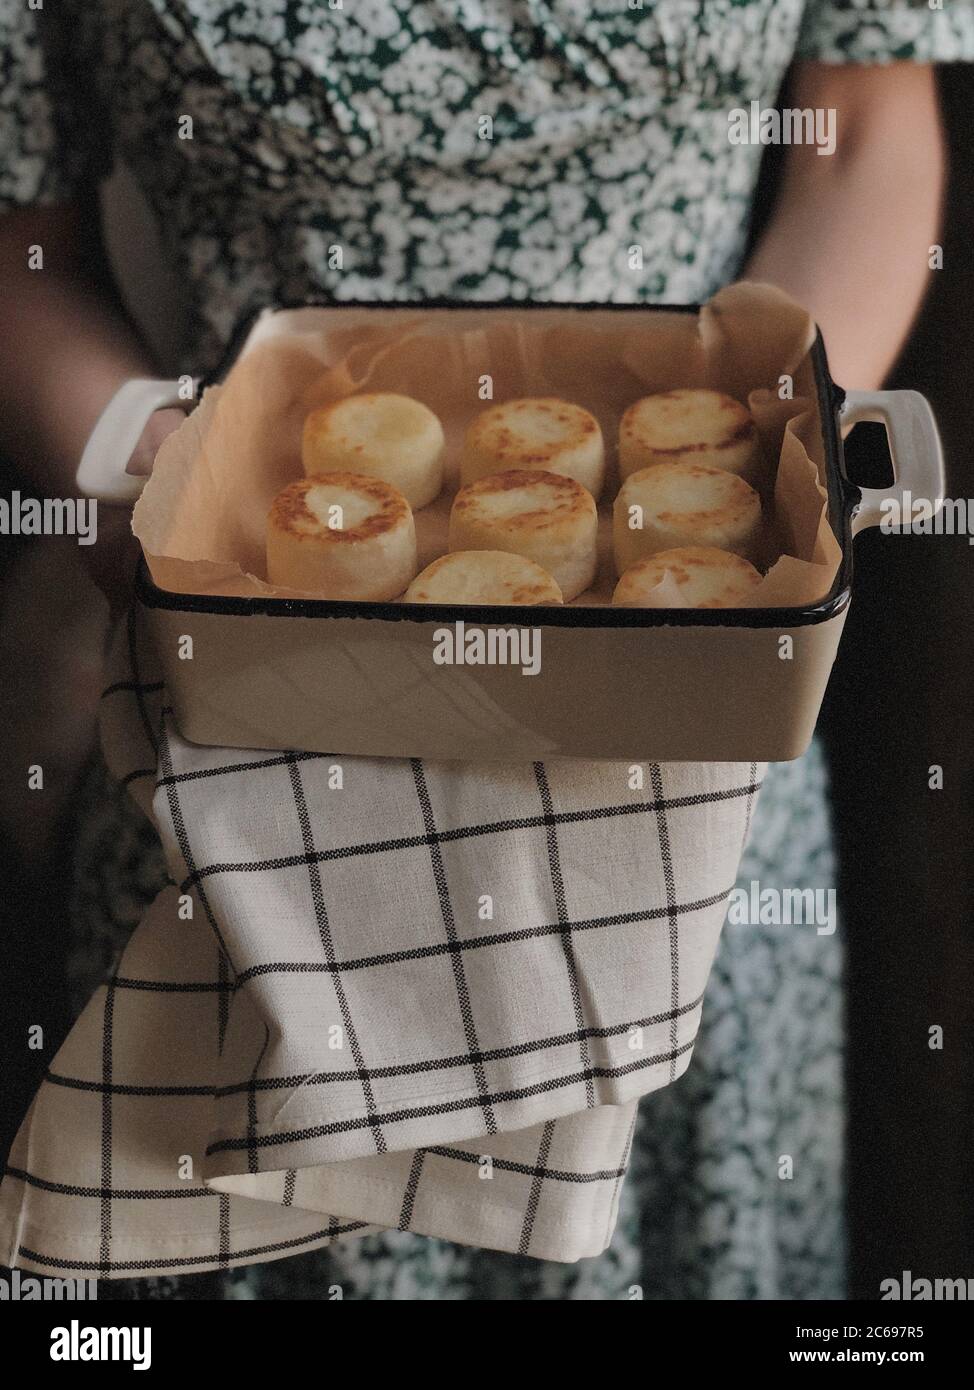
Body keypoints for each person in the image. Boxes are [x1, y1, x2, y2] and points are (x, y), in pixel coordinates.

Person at [0, 1, 969, 1301]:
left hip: (687, 729)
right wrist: (149, 484)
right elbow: (21, 244)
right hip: (251, 736)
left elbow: (860, 132)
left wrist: (771, 448)